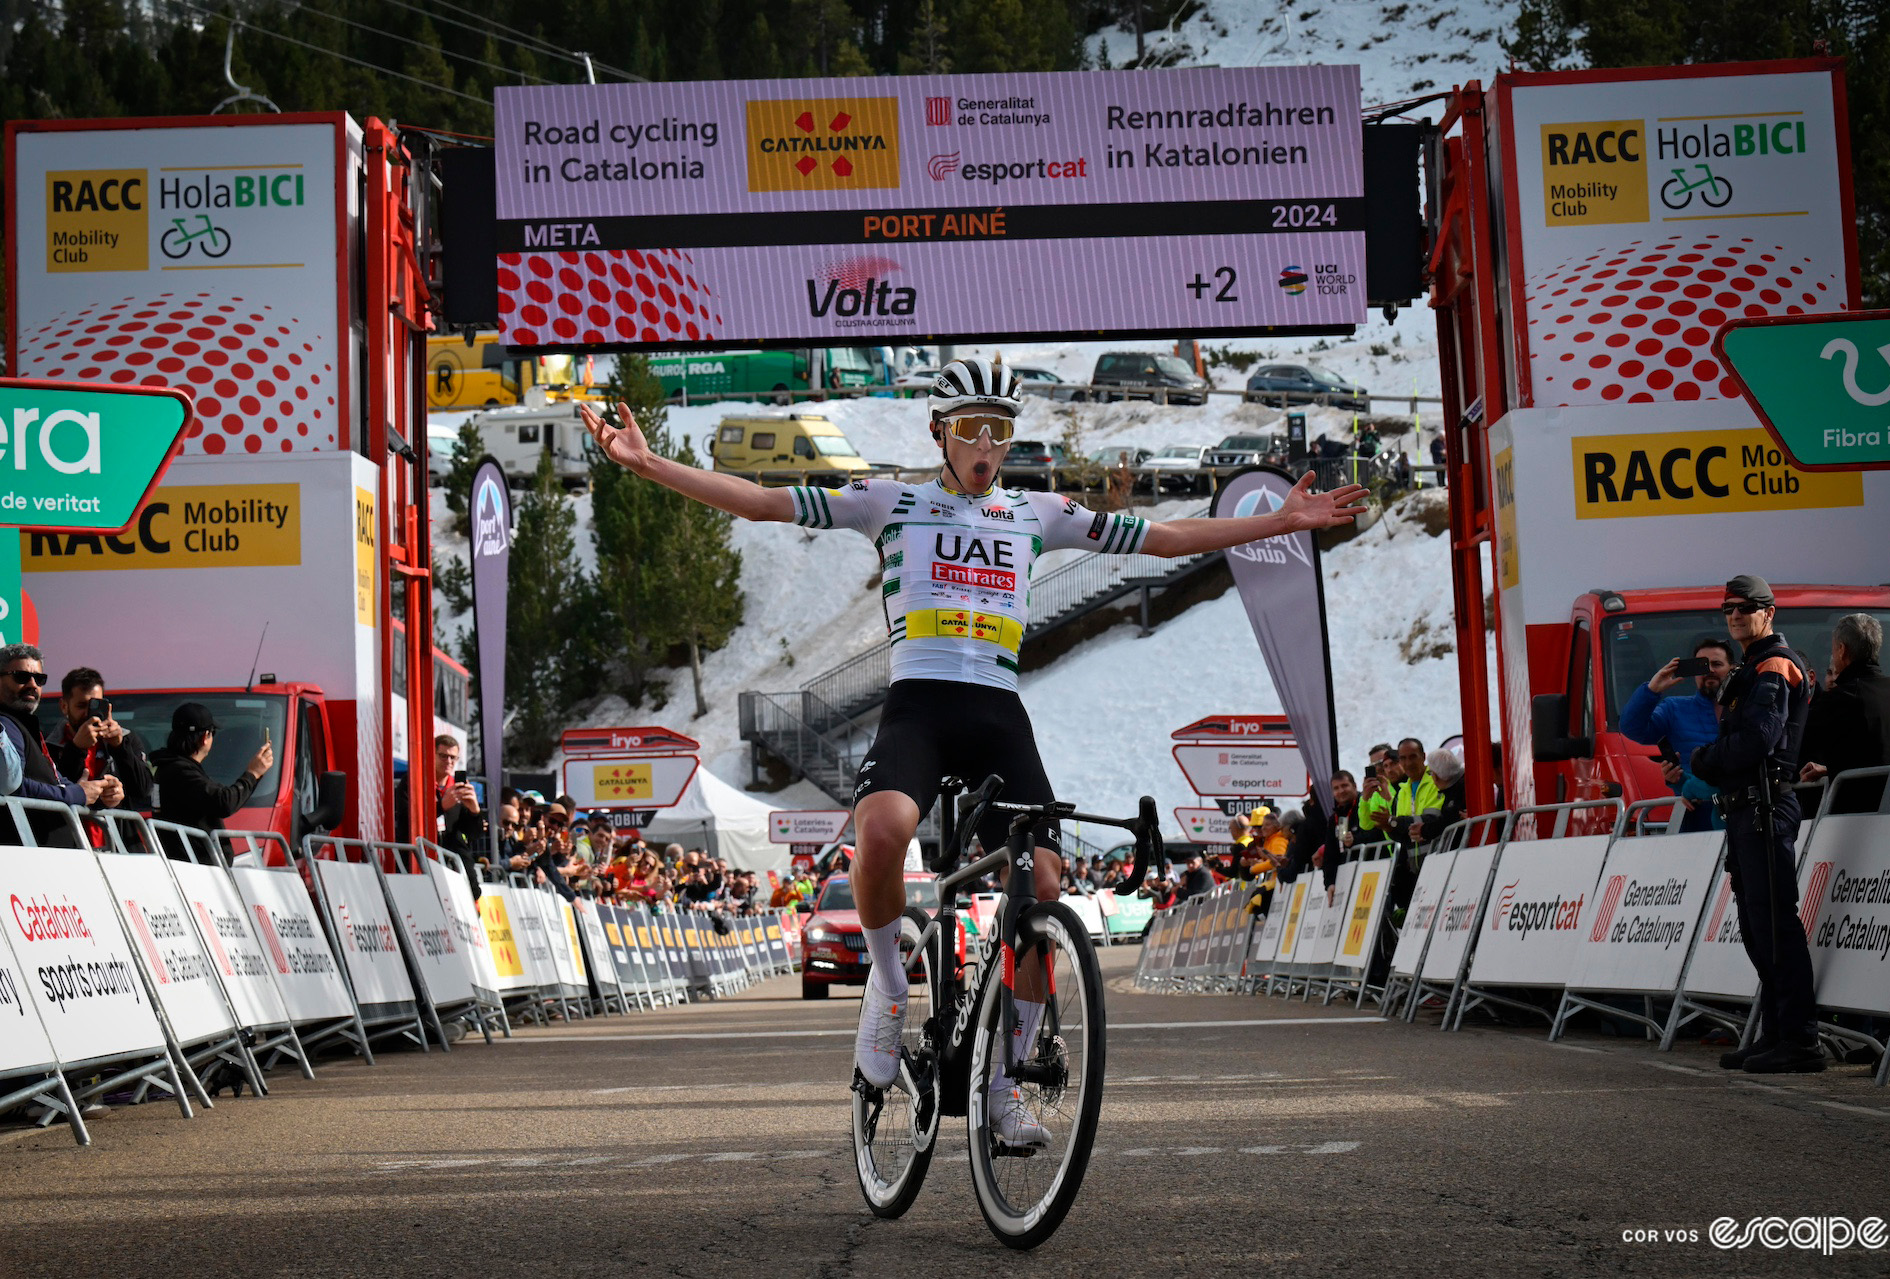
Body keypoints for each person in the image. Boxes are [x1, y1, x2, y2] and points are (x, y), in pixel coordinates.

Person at [582, 357, 1366, 1146]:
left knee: (1044, 884)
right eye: (971, 429)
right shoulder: (891, 500)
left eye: (1001, 428)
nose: (987, 443)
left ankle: (1004, 1085)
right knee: (882, 830)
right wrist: (648, 464)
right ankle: (890, 991)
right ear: (939, 434)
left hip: (997, 714)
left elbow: (1164, 537)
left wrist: (1282, 521)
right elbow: (759, 502)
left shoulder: (1038, 510)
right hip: (918, 707)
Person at [1689, 576, 1822, 1074]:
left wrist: (1704, 758)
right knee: (1756, 929)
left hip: (1766, 807)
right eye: (1728, 609)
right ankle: (1776, 1034)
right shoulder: (1752, 666)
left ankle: (1801, 1041)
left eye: (1746, 608)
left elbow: (1757, 741)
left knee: (1775, 928)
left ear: (1769, 612)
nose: (1735, 615)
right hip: (1746, 809)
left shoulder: (1773, 665)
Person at [1799, 613, 1890, 814]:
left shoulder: (1843, 699)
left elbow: (1796, 745)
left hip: (1860, 821)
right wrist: (1831, 769)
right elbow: (1885, 755)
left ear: (1841, 650)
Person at [0, 645, 118, 840]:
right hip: (26, 859)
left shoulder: (23, 725)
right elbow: (13, 786)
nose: (32, 684)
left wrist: (99, 794)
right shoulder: (5, 725)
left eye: (39, 679)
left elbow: (55, 782)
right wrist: (77, 794)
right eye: (21, 676)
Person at [1621, 638, 1735, 831]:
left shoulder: (1746, 707)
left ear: (1732, 669)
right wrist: (1652, 689)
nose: (1709, 670)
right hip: (1694, 819)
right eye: (1702, 665)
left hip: (1740, 815)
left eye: (1717, 664)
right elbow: (1632, 728)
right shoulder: (1674, 708)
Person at [149, 702, 274, 840]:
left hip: (183, 859)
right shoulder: (180, 772)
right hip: (192, 860)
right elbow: (223, 802)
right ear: (205, 737)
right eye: (213, 733)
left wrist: (254, 775)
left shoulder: (169, 767)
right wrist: (253, 774)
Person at [53, 667, 154, 811]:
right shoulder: (49, 744)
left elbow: (143, 790)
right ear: (64, 706)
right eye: (81, 706)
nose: (89, 714)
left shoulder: (126, 738)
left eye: (96, 706)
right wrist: (76, 748)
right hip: (72, 830)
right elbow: (53, 791)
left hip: (114, 831)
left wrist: (119, 747)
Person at [430, 734, 484, 857]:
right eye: (443, 756)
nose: (449, 761)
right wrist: (441, 807)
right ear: (432, 754)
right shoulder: (416, 783)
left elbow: (474, 834)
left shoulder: (458, 788)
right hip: (426, 857)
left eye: (453, 757)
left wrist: (474, 812)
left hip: (456, 861)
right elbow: (406, 819)